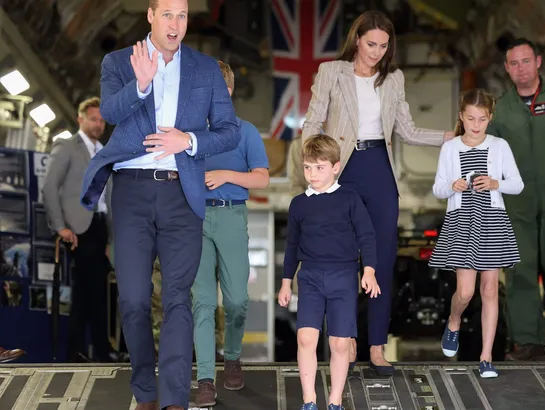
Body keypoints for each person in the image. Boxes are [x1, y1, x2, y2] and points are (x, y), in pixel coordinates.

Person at [78, 0, 240, 408]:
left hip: (180, 192)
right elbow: (111, 111)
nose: (175, 23)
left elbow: (228, 132)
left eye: (182, 15)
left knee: (177, 299)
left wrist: (188, 141)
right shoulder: (119, 62)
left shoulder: (205, 69)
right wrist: (142, 84)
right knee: (132, 301)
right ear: (150, 16)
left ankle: (172, 400)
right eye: (167, 14)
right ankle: (144, 389)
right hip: (130, 192)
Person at [301, 10, 453, 375]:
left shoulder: (394, 78)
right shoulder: (331, 72)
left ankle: (378, 347)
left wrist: (452, 137)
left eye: (384, 46)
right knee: (341, 260)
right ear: (357, 39)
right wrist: (316, 167)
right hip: (342, 167)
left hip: (379, 170)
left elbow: (409, 130)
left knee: (381, 259)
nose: (377, 52)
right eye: (371, 44)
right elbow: (313, 121)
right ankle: (345, 338)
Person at [486, 38, 545, 361]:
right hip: (516, 204)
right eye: (514, 63)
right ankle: (528, 342)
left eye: (526, 61)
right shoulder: (500, 111)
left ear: (539, 62)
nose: (521, 68)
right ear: (507, 69)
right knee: (519, 270)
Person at [278, 134, 381, 410]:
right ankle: (309, 400)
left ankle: (335, 401)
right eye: (308, 167)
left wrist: (368, 271)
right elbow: (292, 246)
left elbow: (367, 236)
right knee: (305, 338)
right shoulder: (299, 204)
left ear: (336, 167)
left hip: (343, 278)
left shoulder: (350, 198)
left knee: (339, 343)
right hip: (309, 278)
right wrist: (286, 283)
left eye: (319, 167)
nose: (312, 174)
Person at [429, 89, 523, 378]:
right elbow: (438, 189)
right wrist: (453, 187)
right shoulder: (450, 148)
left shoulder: (499, 146)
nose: (476, 124)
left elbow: (517, 184)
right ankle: (454, 321)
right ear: (461, 116)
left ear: (489, 118)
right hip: (461, 220)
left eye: (482, 119)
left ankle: (486, 357)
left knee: (490, 289)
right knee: (466, 291)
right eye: (470, 118)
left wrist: (496, 182)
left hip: (492, 219)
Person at [192, 60, 270, 406]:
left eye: (219, 89)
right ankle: (206, 377)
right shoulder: (190, 133)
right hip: (194, 220)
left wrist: (226, 175)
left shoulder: (246, 132)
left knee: (238, 300)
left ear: (229, 91)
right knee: (203, 302)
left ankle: (233, 356)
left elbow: (262, 178)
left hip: (231, 217)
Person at [42, 97, 115, 363]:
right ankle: (96, 348)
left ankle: (80, 350)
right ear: (80, 119)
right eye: (93, 119)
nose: (98, 124)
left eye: (101, 120)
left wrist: (111, 234)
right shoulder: (66, 146)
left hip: (100, 226)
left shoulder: (105, 150)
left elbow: (108, 194)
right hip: (78, 227)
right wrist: (60, 226)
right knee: (91, 288)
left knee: (90, 290)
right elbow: (49, 187)